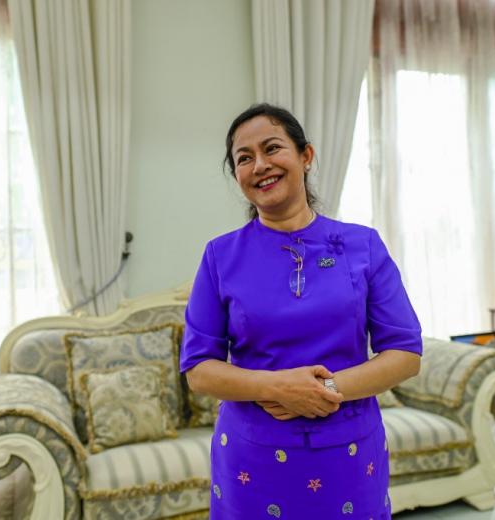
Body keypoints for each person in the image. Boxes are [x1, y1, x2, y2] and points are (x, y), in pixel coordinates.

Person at [180, 103, 423, 519]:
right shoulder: (221, 256)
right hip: (253, 460)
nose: (260, 165)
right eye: (244, 158)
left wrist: (323, 391)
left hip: (347, 454)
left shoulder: (362, 246)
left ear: (305, 156)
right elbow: (199, 369)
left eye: (272, 148)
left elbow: (405, 354)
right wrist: (275, 388)